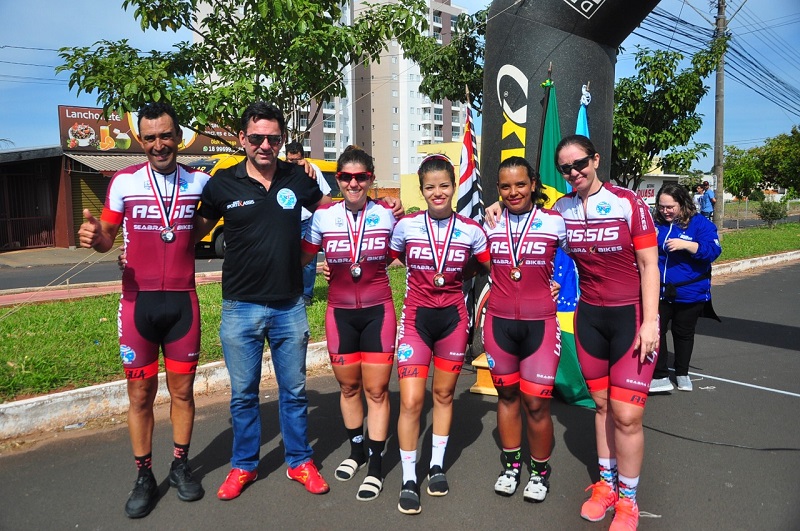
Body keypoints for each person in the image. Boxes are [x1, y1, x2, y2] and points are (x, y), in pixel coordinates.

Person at [194, 102, 333, 500]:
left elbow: (336, 217)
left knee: (294, 392)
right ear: (243, 139)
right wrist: (134, 248)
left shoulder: (299, 178)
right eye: (256, 138)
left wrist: (382, 211)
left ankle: (300, 462)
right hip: (241, 307)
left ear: (282, 140)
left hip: (290, 305)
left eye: (273, 138)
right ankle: (244, 466)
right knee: (243, 394)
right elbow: (188, 234)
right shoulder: (222, 183)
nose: (265, 145)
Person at [78, 102, 209, 518]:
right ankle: (144, 475)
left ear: (179, 136)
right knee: (140, 394)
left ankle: (180, 465)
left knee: (184, 392)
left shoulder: (199, 183)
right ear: (140, 139)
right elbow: (107, 238)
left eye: (166, 135)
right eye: (150, 137)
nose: (158, 144)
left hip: (183, 303)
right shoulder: (123, 182)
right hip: (139, 303)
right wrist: (97, 236)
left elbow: (208, 224)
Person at [552, 135, 660, 531]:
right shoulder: (561, 209)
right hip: (590, 320)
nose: (573, 173)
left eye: (579, 164)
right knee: (601, 408)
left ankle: (629, 501)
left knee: (627, 415)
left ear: (595, 159)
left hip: (631, 319)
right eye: (565, 168)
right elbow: (525, 224)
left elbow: (650, 265)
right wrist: (495, 208)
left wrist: (651, 321)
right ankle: (606, 485)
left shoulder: (626, 202)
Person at [389, 154, 491, 515]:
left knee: (445, 395)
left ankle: (435, 466)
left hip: (453, 320)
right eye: (430, 187)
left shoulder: (472, 230)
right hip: (415, 322)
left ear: (454, 187)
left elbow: (490, 266)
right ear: (422, 190)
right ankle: (408, 477)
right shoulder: (406, 227)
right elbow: (384, 256)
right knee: (412, 401)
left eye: (444, 186)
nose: (438, 193)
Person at [300, 146, 396, 501]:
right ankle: (356, 451)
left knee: (377, 391)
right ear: (337, 179)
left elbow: (417, 247)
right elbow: (302, 258)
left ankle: (375, 464)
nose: (353, 183)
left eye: (361, 177)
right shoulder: (323, 217)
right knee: (349, 389)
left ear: (371, 179)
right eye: (346, 177)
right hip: (339, 313)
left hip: (378, 312)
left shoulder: (388, 215)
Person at [483, 157, 567, 503]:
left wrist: (561, 282)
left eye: (520, 184)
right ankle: (511, 466)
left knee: (535, 403)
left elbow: (581, 257)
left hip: (540, 324)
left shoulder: (555, 222)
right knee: (506, 397)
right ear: (498, 190)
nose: (513, 191)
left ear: (533, 184)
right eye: (505, 186)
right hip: (499, 323)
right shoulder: (489, 222)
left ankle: (540, 472)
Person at [649, 183, 721, 393]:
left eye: (670, 207)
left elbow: (713, 251)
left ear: (682, 203)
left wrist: (688, 245)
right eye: (661, 207)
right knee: (657, 331)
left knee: (683, 332)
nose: (665, 211)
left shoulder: (700, 224)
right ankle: (660, 375)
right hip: (659, 290)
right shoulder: (656, 223)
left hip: (691, 291)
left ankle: (682, 373)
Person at [286, 141, 332, 306]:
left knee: (308, 262)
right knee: (287, 258)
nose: (293, 164)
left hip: (307, 221)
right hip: (288, 222)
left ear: (303, 158)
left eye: (296, 160)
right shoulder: (280, 171)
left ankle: (306, 295)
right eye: (290, 160)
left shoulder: (312, 171)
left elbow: (327, 196)